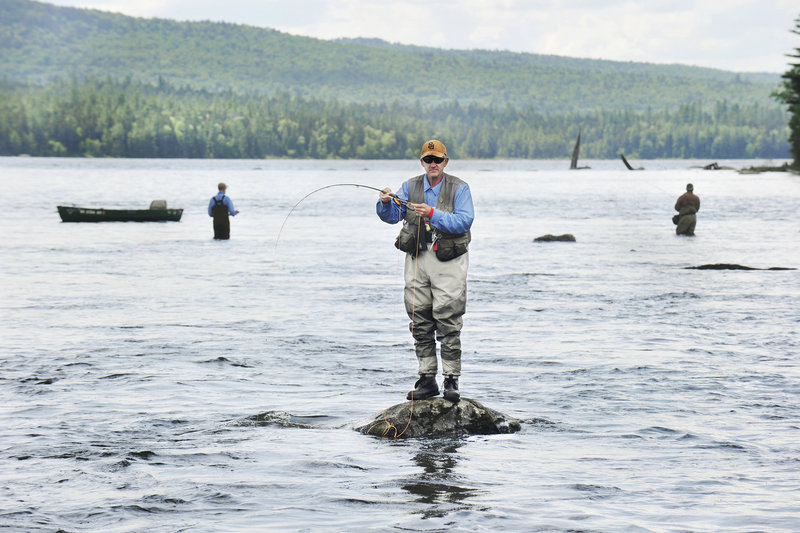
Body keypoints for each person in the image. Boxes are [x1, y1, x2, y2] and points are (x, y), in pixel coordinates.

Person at [377, 140, 475, 402]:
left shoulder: (460, 188)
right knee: (419, 319)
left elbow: (465, 220)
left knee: (448, 319)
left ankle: (451, 380)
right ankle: (427, 379)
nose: (433, 164)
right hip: (417, 258)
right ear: (422, 162)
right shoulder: (409, 186)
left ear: (446, 161)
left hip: (449, 261)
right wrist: (385, 202)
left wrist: (432, 213)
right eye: (428, 160)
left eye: (438, 160)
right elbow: (392, 216)